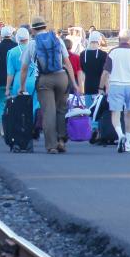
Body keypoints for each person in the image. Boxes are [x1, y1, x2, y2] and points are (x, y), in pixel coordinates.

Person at [18, 16, 80, 154]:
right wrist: (74, 83)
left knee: (48, 112)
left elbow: (24, 69)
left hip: (44, 80)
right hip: (62, 77)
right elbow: (67, 63)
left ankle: (52, 146)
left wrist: (22, 87)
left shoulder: (32, 44)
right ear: (45, 27)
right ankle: (61, 140)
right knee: (61, 110)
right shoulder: (57, 40)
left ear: (33, 30)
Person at [5, 27, 39, 112]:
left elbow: (10, 73)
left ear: (17, 38)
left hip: (19, 81)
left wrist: (7, 88)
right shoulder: (35, 48)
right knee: (35, 105)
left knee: (19, 108)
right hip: (34, 80)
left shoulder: (12, 52)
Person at [79, 31, 107, 107]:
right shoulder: (103, 54)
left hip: (87, 86)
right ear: (99, 40)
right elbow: (106, 74)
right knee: (99, 110)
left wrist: (81, 88)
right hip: (100, 86)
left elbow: (82, 73)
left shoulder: (83, 54)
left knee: (89, 109)